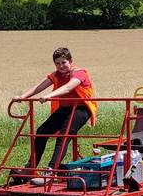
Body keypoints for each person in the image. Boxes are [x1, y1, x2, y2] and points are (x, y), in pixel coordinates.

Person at [19, 47, 96, 177]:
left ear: (70, 61)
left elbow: (69, 87)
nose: (61, 66)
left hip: (81, 109)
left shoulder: (79, 73)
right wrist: (22, 97)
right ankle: (30, 167)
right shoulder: (56, 75)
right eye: (57, 63)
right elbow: (39, 87)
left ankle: (51, 170)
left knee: (64, 136)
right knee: (41, 131)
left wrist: (50, 95)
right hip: (65, 109)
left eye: (63, 62)